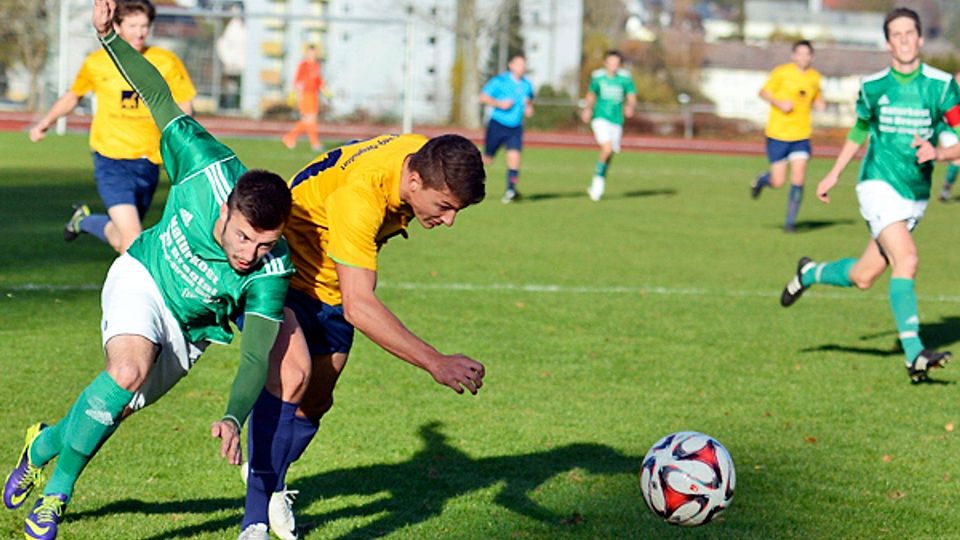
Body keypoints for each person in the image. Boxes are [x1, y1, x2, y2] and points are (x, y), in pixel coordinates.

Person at [2, 2, 295, 538]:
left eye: (265, 243)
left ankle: (40, 444)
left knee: (112, 408)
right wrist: (109, 38)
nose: (250, 254)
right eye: (244, 237)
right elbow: (157, 94)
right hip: (143, 275)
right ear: (227, 208)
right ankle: (58, 493)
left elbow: (255, 352)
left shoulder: (271, 267)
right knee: (125, 373)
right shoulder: (204, 166)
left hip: (190, 332)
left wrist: (233, 414)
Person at [237, 134, 487, 540]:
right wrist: (435, 361)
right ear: (415, 181)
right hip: (280, 275)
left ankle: (269, 472)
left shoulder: (426, 154)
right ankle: (255, 523)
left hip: (331, 284)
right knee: (292, 376)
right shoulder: (361, 197)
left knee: (317, 399)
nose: (449, 220)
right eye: (444, 207)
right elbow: (360, 306)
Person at [780, 8, 960, 384]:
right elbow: (859, 131)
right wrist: (833, 173)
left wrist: (939, 153)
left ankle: (810, 273)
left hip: (915, 194)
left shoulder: (942, 86)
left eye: (910, 33)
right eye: (897, 34)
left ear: (921, 39)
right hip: (877, 185)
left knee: (864, 276)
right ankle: (915, 356)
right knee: (907, 259)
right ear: (888, 42)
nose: (905, 40)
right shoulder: (874, 85)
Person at [29, 0, 196, 253]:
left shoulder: (166, 61)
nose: (140, 32)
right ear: (116, 26)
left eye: (144, 25)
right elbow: (74, 96)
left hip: (149, 161)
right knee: (132, 239)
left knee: (122, 238)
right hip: (111, 160)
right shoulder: (97, 62)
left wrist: (185, 143)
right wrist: (45, 122)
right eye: (133, 25)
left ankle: (83, 221)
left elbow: (184, 103)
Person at [750, 40, 825, 232]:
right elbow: (762, 92)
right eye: (799, 54)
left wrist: (819, 103)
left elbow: (816, 95)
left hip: (801, 135)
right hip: (778, 134)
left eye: (807, 54)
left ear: (812, 57)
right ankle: (761, 180)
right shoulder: (782, 72)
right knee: (778, 181)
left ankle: (790, 223)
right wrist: (778, 103)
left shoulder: (815, 77)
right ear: (793, 56)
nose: (803, 58)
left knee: (798, 177)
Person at [580, 50, 637, 202]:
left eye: (616, 63)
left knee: (609, 154)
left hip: (617, 120)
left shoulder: (624, 79)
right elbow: (591, 94)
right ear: (606, 63)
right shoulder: (598, 77)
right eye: (611, 62)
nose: (613, 65)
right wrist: (587, 109)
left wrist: (630, 106)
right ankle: (597, 183)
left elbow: (631, 96)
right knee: (607, 148)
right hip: (601, 118)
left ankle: (598, 180)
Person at [480, 53, 534, 203]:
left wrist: (529, 109)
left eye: (524, 65)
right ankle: (465, 182)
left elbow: (529, 103)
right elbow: (483, 97)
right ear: (511, 65)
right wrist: (499, 104)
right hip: (497, 124)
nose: (522, 68)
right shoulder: (499, 81)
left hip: (515, 127)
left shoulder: (527, 85)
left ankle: (511, 190)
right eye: (519, 64)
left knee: (514, 158)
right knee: (487, 159)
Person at [281, 45, 325, 152]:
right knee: (309, 120)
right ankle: (314, 143)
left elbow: (318, 80)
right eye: (310, 53)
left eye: (314, 53)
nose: (312, 55)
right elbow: (297, 81)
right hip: (305, 94)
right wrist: (295, 94)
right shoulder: (303, 65)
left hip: (314, 95)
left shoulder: (316, 65)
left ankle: (290, 137)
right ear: (306, 54)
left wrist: (324, 88)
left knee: (310, 120)